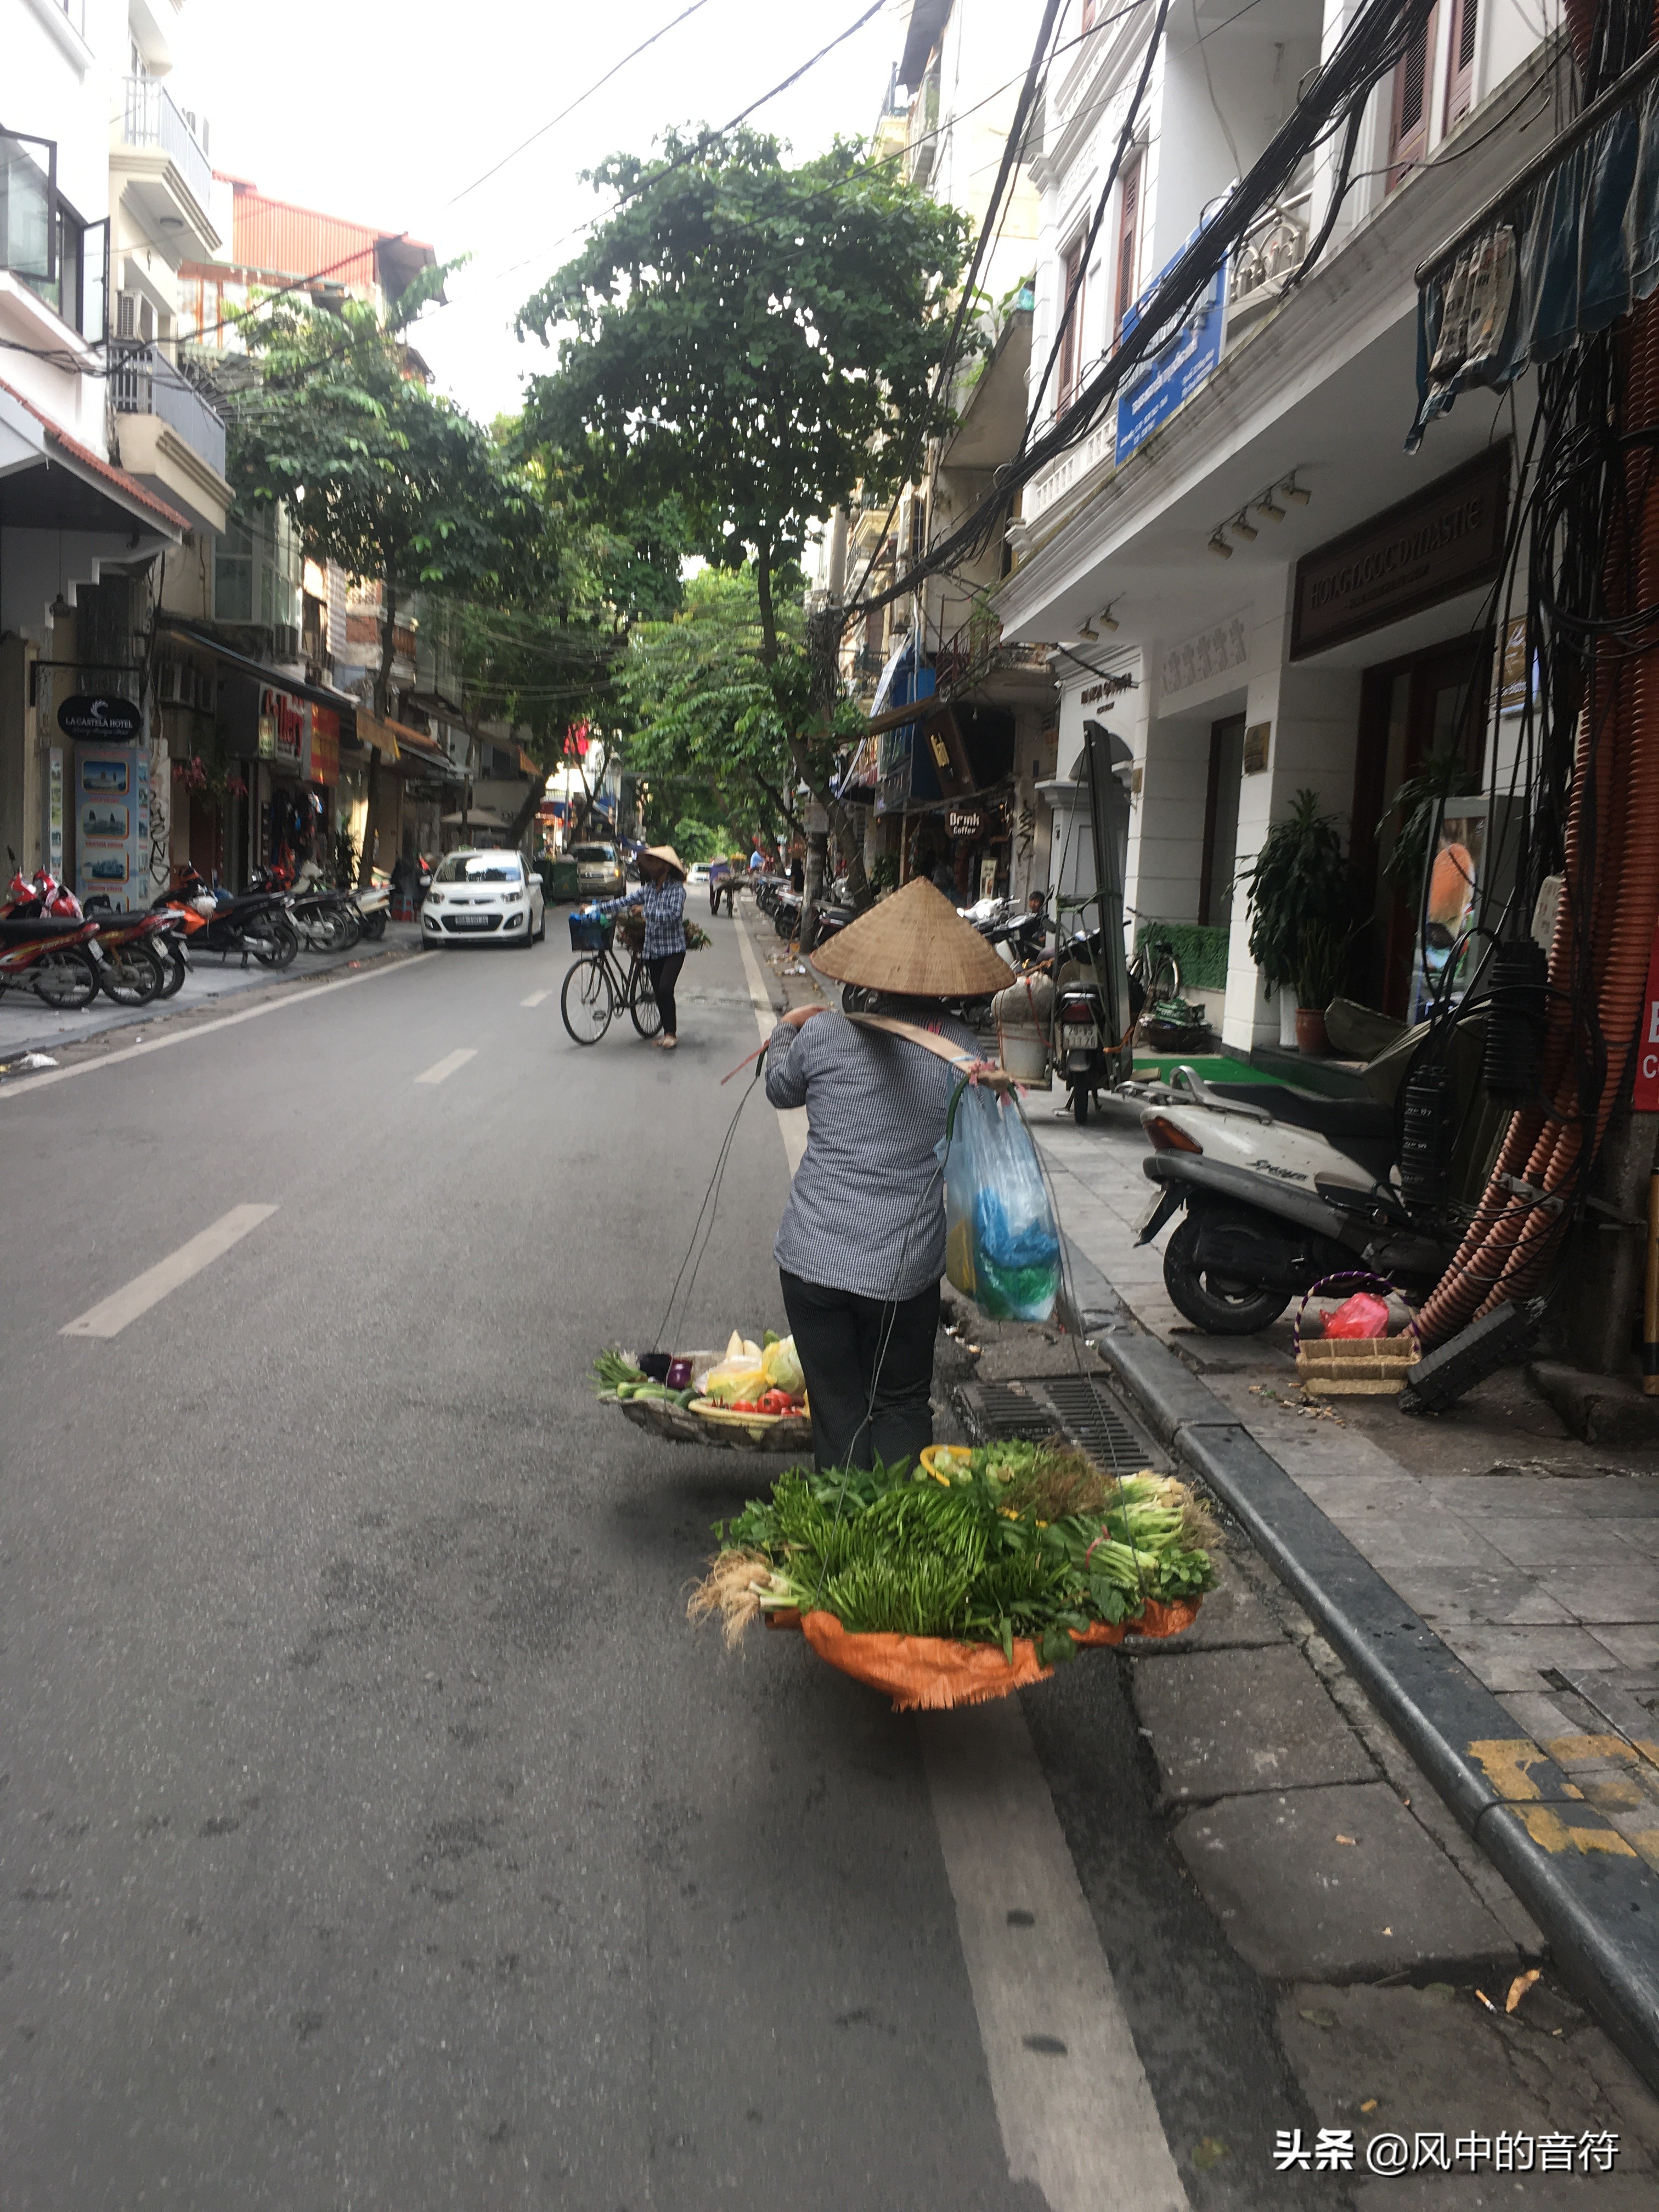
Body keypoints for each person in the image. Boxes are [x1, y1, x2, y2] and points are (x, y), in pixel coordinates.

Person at [763, 877, 1014, 1470]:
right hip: (903, 1273)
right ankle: (893, 1536)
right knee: (900, 1404)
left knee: (839, 1409)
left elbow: (780, 1088)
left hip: (814, 1262)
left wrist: (784, 1030)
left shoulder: (824, 1033)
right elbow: (979, 1140)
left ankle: (840, 1535)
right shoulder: (961, 1053)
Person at [611, 844, 688, 1049]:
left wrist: (645, 913)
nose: (652, 867)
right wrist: (594, 907)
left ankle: (671, 1033)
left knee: (665, 989)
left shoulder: (677, 890)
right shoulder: (648, 890)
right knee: (657, 992)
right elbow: (625, 901)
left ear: (665, 867)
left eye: (656, 863)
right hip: (653, 950)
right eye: (651, 863)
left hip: (673, 950)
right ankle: (666, 1033)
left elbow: (672, 916)